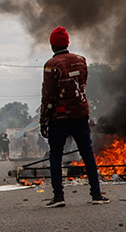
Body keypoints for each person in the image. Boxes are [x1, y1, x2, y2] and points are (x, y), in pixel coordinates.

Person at [40, 26, 108, 207]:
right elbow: (82, 85)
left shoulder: (51, 65)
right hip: (80, 114)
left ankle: (59, 197)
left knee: (55, 156)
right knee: (87, 153)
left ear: (52, 45)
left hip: (58, 118)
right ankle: (96, 194)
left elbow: (48, 96)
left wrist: (43, 120)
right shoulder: (81, 60)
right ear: (67, 43)